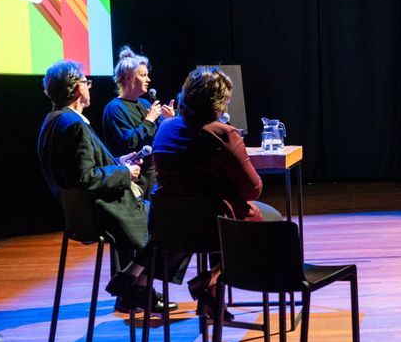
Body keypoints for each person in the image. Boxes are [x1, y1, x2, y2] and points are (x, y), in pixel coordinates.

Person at [37, 59, 176, 313]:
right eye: (86, 82)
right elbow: (85, 178)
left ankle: (134, 285)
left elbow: (81, 170)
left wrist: (118, 163)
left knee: (168, 220)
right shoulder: (74, 125)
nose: (89, 87)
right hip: (104, 213)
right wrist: (124, 173)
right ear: (77, 88)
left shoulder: (53, 120)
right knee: (175, 222)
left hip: (81, 215)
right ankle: (134, 285)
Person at [152, 66, 281, 315]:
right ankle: (211, 277)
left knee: (217, 213)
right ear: (218, 101)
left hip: (170, 226)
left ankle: (212, 303)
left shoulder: (165, 128)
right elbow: (253, 190)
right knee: (266, 218)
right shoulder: (222, 133)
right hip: (212, 225)